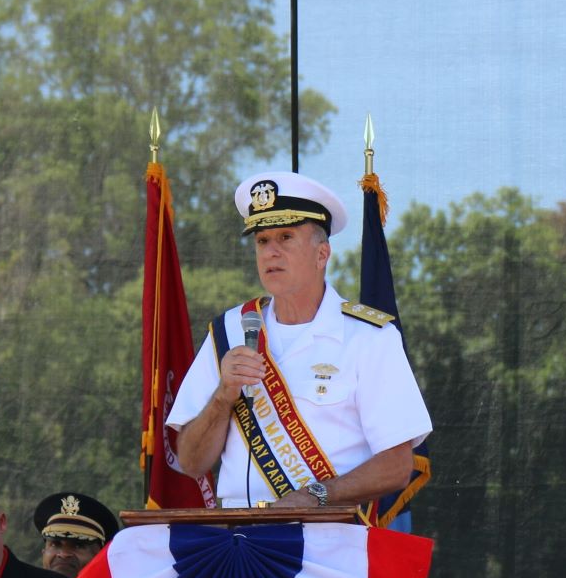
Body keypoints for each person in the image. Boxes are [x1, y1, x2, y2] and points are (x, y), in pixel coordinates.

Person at [170, 171, 431, 509]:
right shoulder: (228, 330)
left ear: (322, 255)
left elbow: (397, 467)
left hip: (328, 541)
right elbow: (191, 463)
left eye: (286, 238)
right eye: (262, 241)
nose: (271, 253)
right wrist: (223, 396)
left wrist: (317, 495)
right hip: (240, 535)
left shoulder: (369, 337)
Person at [31, 490, 119, 578]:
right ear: (44, 552)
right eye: (55, 544)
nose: (64, 554)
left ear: (98, 556)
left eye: (78, 546)